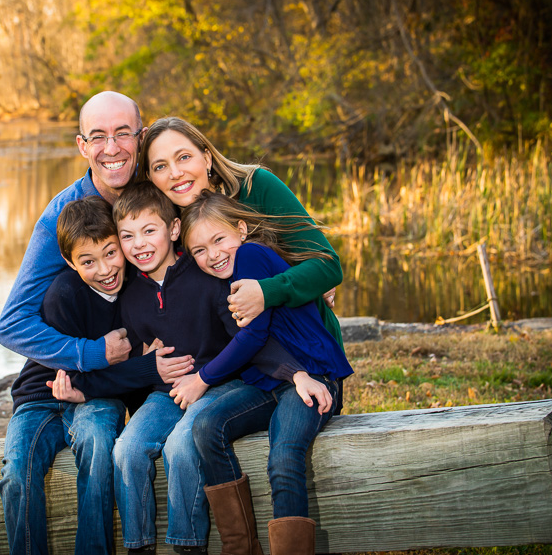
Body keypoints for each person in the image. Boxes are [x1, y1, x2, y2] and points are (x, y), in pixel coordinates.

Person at [51, 182, 302, 555]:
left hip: (220, 383)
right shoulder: (131, 293)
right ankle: (139, 546)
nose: (138, 244)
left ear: (172, 230)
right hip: (166, 393)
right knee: (127, 449)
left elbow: (250, 337)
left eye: (149, 231)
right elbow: (133, 358)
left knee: (182, 445)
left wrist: (293, 371)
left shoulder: (207, 276)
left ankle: (188, 546)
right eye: (127, 236)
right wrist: (94, 384)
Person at [0, 91, 153, 555]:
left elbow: (221, 216)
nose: (112, 147)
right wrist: (91, 354)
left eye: (123, 133)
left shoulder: (159, 194)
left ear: (140, 138)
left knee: (100, 445)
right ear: (82, 145)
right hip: (52, 384)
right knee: (17, 471)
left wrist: (289, 266)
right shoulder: (60, 220)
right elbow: (12, 325)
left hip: (106, 389)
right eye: (99, 137)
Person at [0, 196, 194, 555]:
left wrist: (136, 373)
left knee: (99, 447)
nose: (105, 270)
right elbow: (74, 376)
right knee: (16, 472)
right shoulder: (63, 295)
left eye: (110, 253)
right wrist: (142, 365)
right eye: (88, 261)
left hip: (98, 396)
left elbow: (119, 382)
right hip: (41, 398)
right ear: (69, 262)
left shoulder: (136, 291)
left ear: (121, 244)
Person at [172, 191, 354, 555]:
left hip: (314, 378)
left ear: (241, 229)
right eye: (200, 250)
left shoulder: (251, 255)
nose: (213, 254)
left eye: (219, 239)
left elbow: (253, 334)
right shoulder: (225, 274)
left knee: (284, 454)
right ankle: (241, 547)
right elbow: (258, 341)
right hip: (275, 379)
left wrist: (202, 378)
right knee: (207, 427)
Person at [136, 116, 344, 407]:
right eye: (160, 167)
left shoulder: (255, 186)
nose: (175, 173)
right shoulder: (164, 224)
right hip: (236, 363)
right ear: (150, 177)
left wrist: (269, 290)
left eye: (184, 157)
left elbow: (326, 266)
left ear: (206, 157)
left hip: (305, 353)